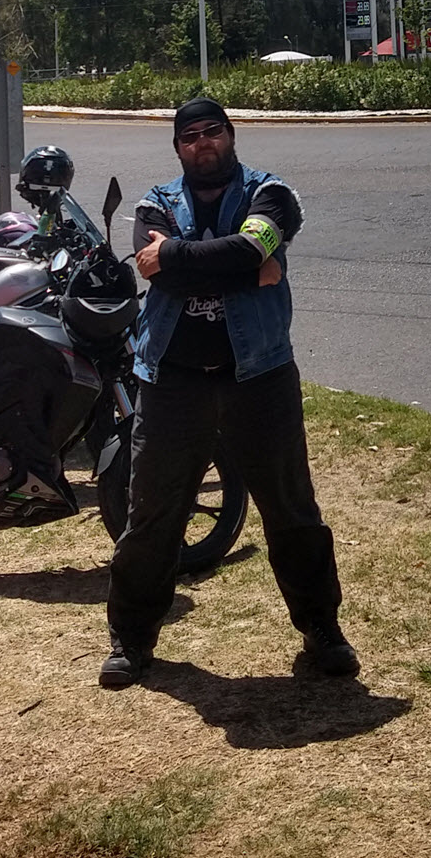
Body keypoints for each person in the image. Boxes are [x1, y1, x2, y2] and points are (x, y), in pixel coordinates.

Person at [100, 96, 357, 689]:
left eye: (212, 131)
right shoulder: (153, 203)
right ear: (177, 148)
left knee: (292, 511)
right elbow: (179, 264)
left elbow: (242, 247)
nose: (202, 143)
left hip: (259, 378)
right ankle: (132, 640)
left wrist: (183, 258)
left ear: (231, 135)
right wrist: (250, 267)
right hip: (172, 383)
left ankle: (322, 629)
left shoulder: (272, 195)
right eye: (189, 136)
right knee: (152, 518)